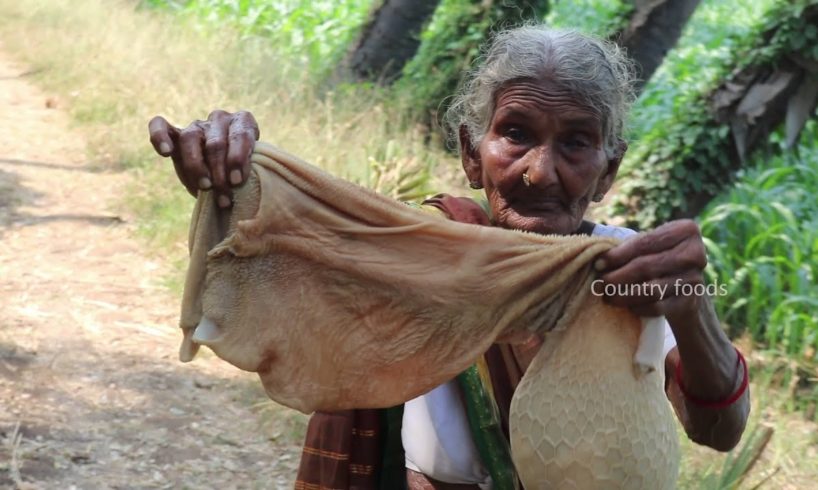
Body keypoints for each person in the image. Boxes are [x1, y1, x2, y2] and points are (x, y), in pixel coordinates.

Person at [149, 25, 750, 489]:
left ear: (608, 170)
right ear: (471, 152)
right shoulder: (416, 254)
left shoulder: (630, 268)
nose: (541, 171)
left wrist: (693, 309)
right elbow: (294, 249)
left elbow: (719, 430)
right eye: (515, 134)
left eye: (575, 142)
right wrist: (234, 174)